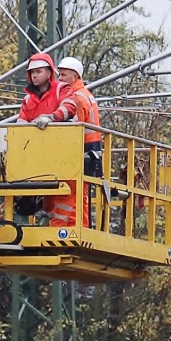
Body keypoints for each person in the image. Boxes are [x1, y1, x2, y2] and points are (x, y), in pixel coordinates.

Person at [15, 53, 77, 224]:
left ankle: (61, 229)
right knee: (47, 199)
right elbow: (21, 122)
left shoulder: (61, 89)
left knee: (63, 198)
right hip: (38, 157)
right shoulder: (28, 99)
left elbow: (70, 107)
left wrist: (51, 117)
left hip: (63, 155)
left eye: (39, 71)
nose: (34, 75)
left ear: (49, 73)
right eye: (32, 72)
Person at [54, 56, 103, 227]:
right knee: (81, 194)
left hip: (79, 151)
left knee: (69, 194)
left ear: (75, 76)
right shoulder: (86, 95)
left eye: (63, 75)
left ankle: (68, 228)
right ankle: (81, 226)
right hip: (92, 151)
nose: (60, 79)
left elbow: (71, 127)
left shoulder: (75, 97)